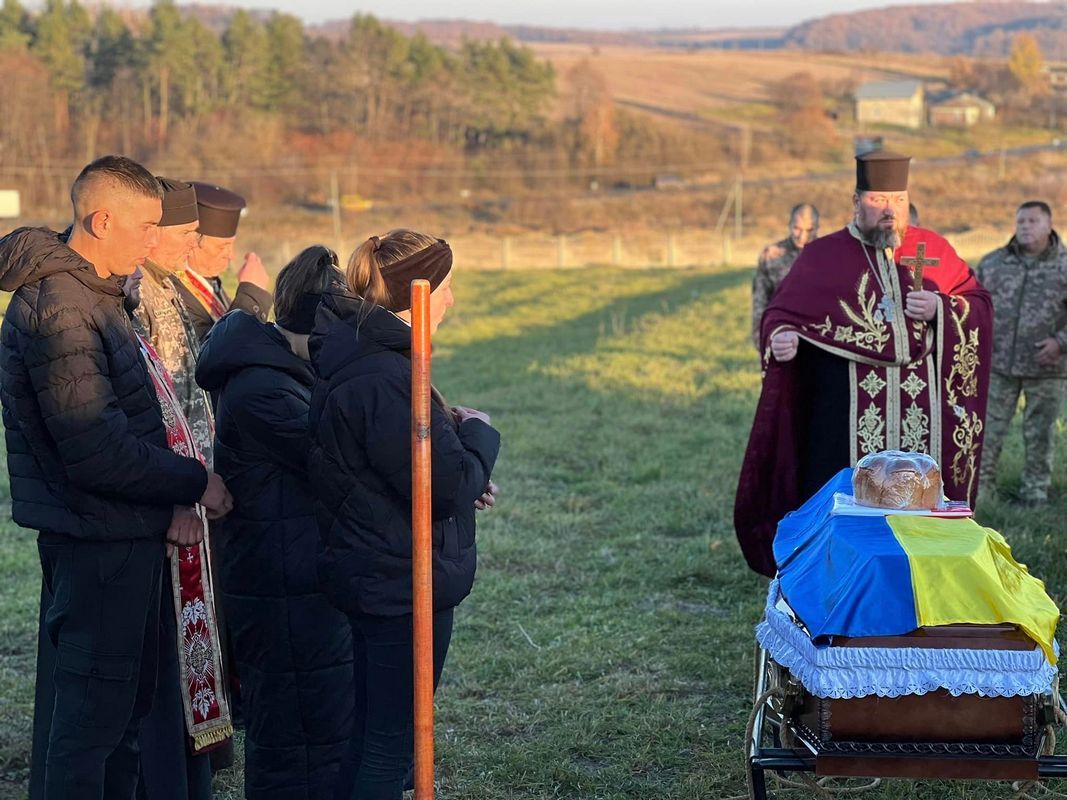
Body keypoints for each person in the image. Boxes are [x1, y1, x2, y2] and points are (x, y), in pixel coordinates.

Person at [0, 155, 232, 800]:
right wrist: (193, 482)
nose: (155, 241)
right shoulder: (61, 309)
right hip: (96, 544)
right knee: (89, 732)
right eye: (146, 225)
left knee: (124, 722)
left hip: (124, 533)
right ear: (102, 220)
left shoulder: (96, 295)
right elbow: (95, 446)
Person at [734, 150, 992, 577]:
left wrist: (942, 308)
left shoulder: (934, 249)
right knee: (846, 500)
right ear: (856, 202)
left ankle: (928, 572)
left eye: (898, 198)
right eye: (878, 200)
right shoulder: (823, 255)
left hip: (922, 416)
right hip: (842, 413)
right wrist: (780, 339)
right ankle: (840, 574)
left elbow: (977, 302)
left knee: (921, 495)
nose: (889, 209)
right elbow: (781, 314)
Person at [308, 230, 501, 800]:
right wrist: (479, 437)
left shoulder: (367, 358)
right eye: (446, 289)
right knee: (389, 747)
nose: (451, 302)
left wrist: (458, 458)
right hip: (398, 584)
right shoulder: (387, 377)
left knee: (372, 736)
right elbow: (443, 486)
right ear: (420, 294)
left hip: (377, 571)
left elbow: (408, 474)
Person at [195, 246, 355, 799]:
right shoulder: (265, 388)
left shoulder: (279, 373)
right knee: (294, 738)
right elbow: (338, 457)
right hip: (281, 585)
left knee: (315, 727)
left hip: (294, 577)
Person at [129, 178, 227, 799]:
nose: (195, 245)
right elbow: (150, 409)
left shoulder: (162, 287)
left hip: (187, 486)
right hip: (166, 499)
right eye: (186, 234)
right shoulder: (139, 295)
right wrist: (179, 495)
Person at [976, 201, 1067, 504]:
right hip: (999, 364)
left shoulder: (1064, 265)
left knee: (1040, 433)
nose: (1026, 226)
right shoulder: (993, 263)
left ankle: (1035, 492)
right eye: (1021, 221)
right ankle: (981, 490)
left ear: (1049, 224)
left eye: (1033, 221)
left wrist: (1060, 342)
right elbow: (974, 305)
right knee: (988, 431)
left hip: (1047, 367)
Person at [174, 181, 272, 341]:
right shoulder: (176, 292)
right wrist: (251, 293)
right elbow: (211, 350)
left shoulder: (212, 283)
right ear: (191, 244)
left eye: (232, 245)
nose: (231, 255)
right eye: (221, 247)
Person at [751, 203, 819, 348]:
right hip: (780, 339)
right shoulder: (771, 255)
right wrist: (762, 341)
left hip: (818, 340)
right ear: (789, 225)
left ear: (818, 227)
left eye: (810, 230)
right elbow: (760, 301)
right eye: (797, 228)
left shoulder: (828, 256)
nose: (802, 236)